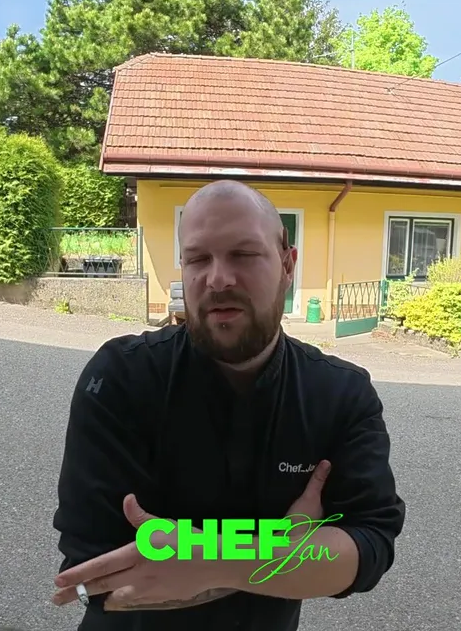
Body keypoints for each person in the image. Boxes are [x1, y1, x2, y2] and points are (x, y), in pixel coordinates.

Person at [50, 179, 405, 630]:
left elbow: (370, 546)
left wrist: (214, 560)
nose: (218, 279)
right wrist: (282, 548)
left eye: (244, 254)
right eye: (198, 259)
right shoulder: (121, 378)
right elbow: (98, 578)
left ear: (287, 264)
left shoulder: (340, 393)